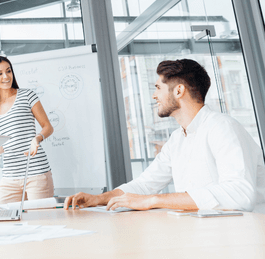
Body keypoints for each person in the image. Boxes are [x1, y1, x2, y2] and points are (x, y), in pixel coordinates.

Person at [65, 59, 265, 212]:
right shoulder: (177, 139)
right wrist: (98, 199)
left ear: (179, 90)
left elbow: (239, 193)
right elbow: (145, 185)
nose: (154, 95)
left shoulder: (222, 127)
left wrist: (154, 200)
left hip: (244, 235)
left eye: (158, 88)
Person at [0, 56, 54, 204]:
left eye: (8, 71)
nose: (6, 76)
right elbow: (2, 146)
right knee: (1, 217)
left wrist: (37, 138)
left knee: (41, 221)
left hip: (36, 172)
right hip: (9, 177)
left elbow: (48, 127)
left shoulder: (27, 95)